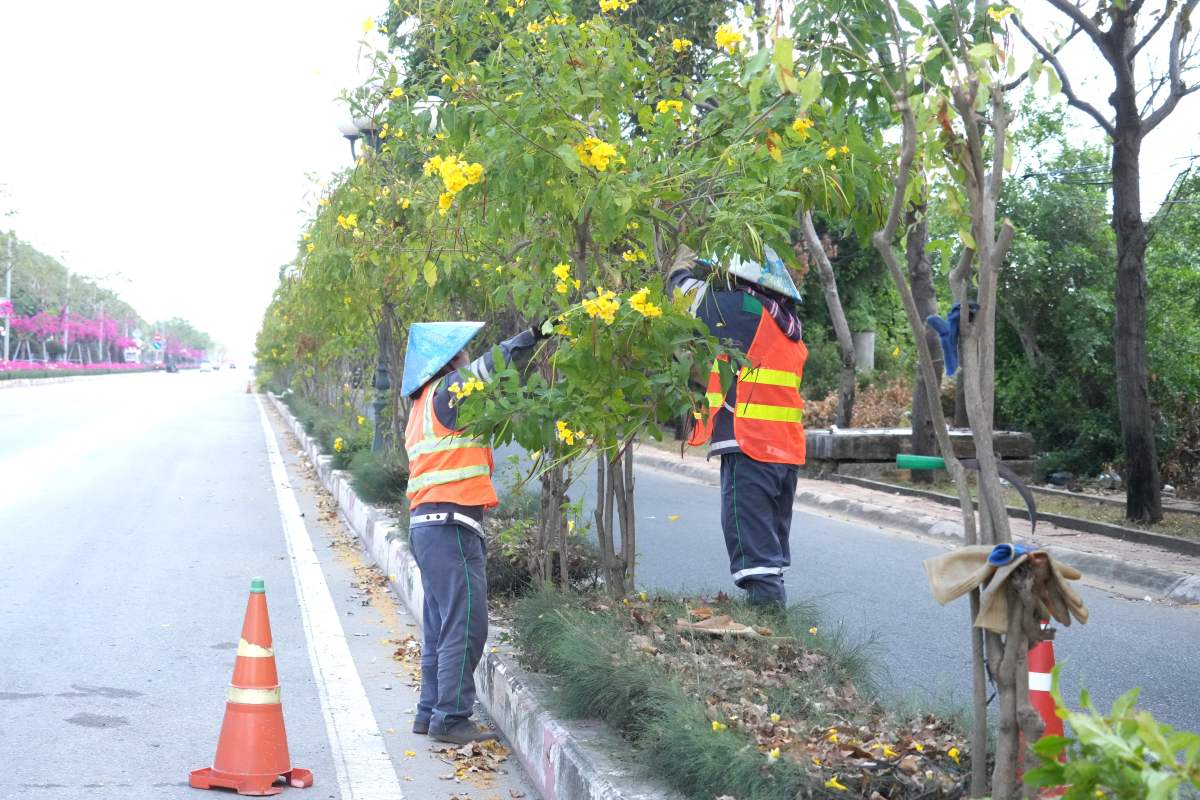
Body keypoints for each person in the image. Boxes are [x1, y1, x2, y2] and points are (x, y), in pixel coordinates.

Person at [400, 319, 546, 745]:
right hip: (451, 528)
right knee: (466, 626)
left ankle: (430, 712)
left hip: (428, 528)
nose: (468, 357)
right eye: (462, 353)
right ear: (450, 362)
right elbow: (492, 364)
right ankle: (450, 717)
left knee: (442, 626)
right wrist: (535, 335)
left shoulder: (423, 405)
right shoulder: (448, 393)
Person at [667, 244, 808, 610]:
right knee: (768, 553)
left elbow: (684, 296)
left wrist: (681, 263)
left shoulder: (745, 310)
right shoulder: (785, 325)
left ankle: (772, 634)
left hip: (752, 448)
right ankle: (769, 627)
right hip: (783, 453)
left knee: (754, 556)